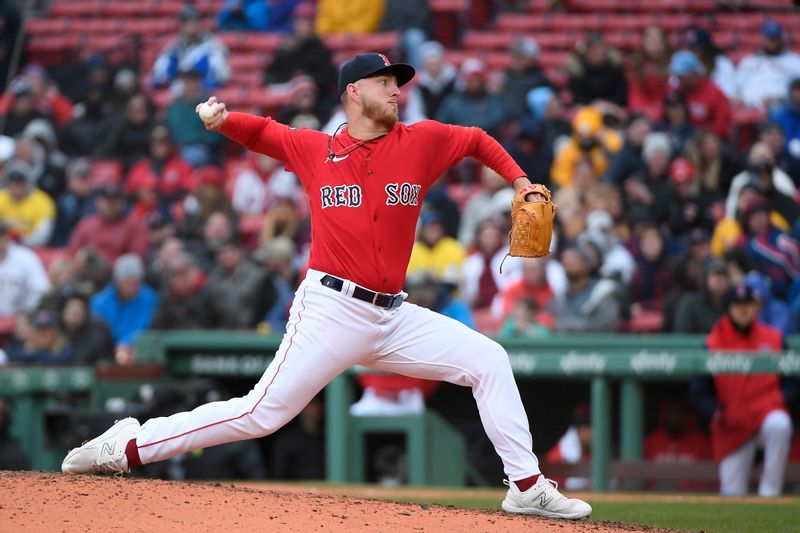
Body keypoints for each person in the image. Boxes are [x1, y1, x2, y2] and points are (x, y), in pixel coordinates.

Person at [61, 52, 592, 520]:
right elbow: (267, 134)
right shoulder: (317, 150)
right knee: (259, 414)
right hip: (330, 310)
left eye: (399, 82)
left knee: (490, 361)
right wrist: (224, 121)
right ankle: (128, 445)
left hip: (393, 316)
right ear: (354, 92)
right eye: (386, 82)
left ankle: (525, 487)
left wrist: (520, 180)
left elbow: (476, 140)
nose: (397, 90)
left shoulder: (422, 142)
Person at [690, 284, 795, 496]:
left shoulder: (773, 338)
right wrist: (716, 413)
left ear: (756, 307)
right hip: (733, 422)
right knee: (732, 494)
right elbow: (699, 390)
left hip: (766, 412)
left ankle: (770, 491)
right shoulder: (713, 342)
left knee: (780, 424)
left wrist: (779, 398)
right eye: (738, 305)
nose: (744, 310)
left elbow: (793, 380)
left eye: (748, 304)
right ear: (729, 308)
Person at [151, 5, 231, 92]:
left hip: (204, 93)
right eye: (187, 22)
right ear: (181, 25)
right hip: (178, 95)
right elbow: (159, 77)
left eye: (194, 21)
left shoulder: (212, 46)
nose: (191, 26)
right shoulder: (173, 48)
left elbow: (222, 76)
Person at [67, 183, 150, 264]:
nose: (111, 205)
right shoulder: (86, 224)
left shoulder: (134, 225)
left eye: (115, 200)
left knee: (129, 263)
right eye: (107, 201)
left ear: (123, 202)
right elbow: (72, 253)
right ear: (97, 202)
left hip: (120, 273)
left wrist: (107, 264)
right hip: (88, 272)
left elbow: (139, 257)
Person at [90, 254, 158, 352]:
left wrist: (126, 345)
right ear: (117, 281)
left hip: (138, 351)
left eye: (135, 282)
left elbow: (145, 328)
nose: (131, 286)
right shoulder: (100, 302)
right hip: (106, 352)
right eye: (126, 281)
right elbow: (97, 332)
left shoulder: (149, 299)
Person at [735, 21, 800, 110]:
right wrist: (738, 99)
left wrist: (784, 99)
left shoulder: (794, 60)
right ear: (763, 38)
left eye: (775, 38)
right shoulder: (749, 61)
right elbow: (736, 88)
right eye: (769, 38)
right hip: (748, 106)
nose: (772, 42)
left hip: (780, 107)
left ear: (780, 39)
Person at [436, 59, 506, 139]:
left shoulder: (493, 100)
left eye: (478, 79)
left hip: (488, 143)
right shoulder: (452, 102)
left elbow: (498, 120)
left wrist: (465, 127)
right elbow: (441, 125)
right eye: (472, 79)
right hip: (460, 144)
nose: (475, 83)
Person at [668, 50, 731, 139]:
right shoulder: (674, 91)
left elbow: (722, 127)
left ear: (694, 74)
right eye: (678, 76)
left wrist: (697, 135)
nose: (679, 79)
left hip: (706, 141)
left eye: (682, 76)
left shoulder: (715, 94)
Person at [0, 222, 49, 321]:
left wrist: (26, 311)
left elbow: (41, 288)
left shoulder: (25, 257)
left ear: (7, 238)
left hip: (20, 318)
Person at [0, 159, 55, 246]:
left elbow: (43, 234)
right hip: (4, 245)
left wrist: (20, 240)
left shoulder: (43, 201)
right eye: (12, 181)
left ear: (28, 182)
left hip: (31, 247)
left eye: (20, 182)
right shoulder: (2, 197)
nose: (15, 186)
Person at [566, 31, 627, 107]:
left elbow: (621, 95)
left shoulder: (614, 68)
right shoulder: (578, 70)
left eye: (601, 49)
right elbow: (577, 97)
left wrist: (607, 104)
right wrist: (594, 105)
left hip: (612, 108)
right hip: (586, 109)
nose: (599, 52)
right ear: (587, 52)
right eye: (594, 50)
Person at [403, 41, 456, 124]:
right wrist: (430, 126)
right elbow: (414, 113)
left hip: (454, 125)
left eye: (435, 57)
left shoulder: (455, 82)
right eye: (428, 59)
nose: (432, 62)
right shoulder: (419, 86)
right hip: (430, 127)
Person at [500, 37, 551, 121]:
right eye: (514, 55)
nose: (516, 59)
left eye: (520, 56)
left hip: (527, 125)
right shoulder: (504, 76)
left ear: (532, 59)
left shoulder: (539, 79)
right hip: (502, 123)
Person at [673, 259, 729, 334]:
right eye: (715, 275)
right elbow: (683, 334)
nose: (720, 280)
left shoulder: (733, 303)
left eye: (723, 275)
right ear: (705, 279)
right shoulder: (691, 303)